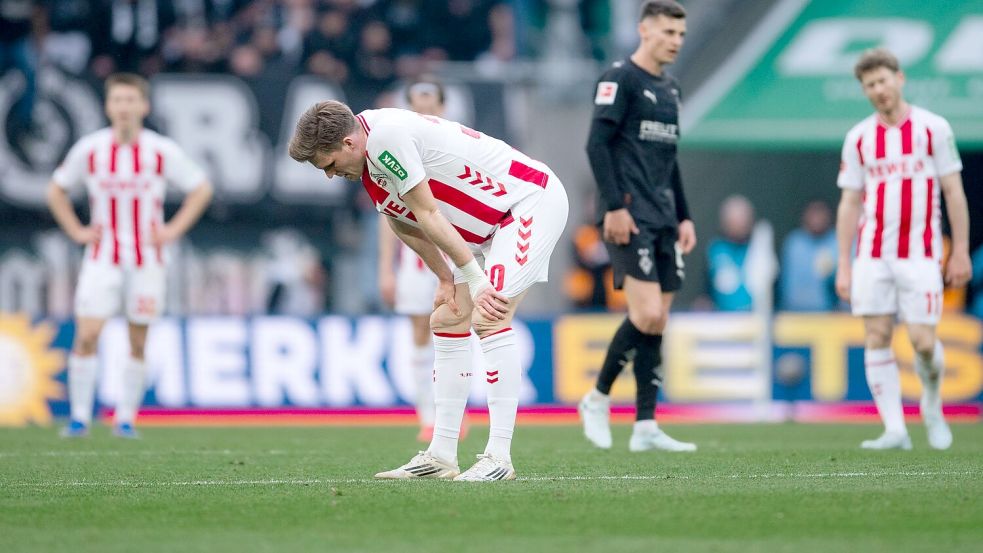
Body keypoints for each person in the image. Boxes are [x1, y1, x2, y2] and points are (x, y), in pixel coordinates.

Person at [288, 100, 568, 481]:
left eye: (330, 164)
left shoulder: (385, 139)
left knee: (489, 315)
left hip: (527, 203)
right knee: (448, 318)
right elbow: (402, 222)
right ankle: (442, 455)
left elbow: (429, 213)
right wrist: (445, 278)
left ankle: (499, 458)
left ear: (348, 144)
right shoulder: (369, 152)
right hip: (490, 226)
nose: (330, 175)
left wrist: (474, 279)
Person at [47, 73, 213, 438]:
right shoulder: (91, 149)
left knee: (138, 338)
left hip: (146, 260)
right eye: (117, 100)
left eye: (130, 100)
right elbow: (57, 189)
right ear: (108, 106)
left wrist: (172, 230)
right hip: (102, 257)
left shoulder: (159, 150)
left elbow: (200, 188)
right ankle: (79, 418)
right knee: (87, 334)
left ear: (144, 106)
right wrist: (76, 230)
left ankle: (125, 418)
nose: (124, 107)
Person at [836, 48, 972, 450]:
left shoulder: (934, 128)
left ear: (899, 78)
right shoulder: (859, 138)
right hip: (873, 254)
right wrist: (844, 263)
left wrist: (960, 250)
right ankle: (895, 429)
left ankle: (932, 404)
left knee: (923, 342)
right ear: (864, 90)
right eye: (869, 85)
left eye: (882, 80)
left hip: (920, 252)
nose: (878, 90)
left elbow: (953, 191)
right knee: (876, 334)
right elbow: (849, 202)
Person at [577, 0, 697, 453]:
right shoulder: (620, 79)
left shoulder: (671, 88)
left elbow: (670, 159)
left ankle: (646, 424)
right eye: (668, 32)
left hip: (664, 216)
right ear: (645, 30)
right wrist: (613, 207)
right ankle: (596, 398)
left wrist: (684, 215)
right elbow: (596, 145)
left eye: (680, 34)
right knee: (645, 314)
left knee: (657, 319)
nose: (675, 42)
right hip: (629, 214)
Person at [376, 77, 466, 443]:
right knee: (419, 332)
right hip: (416, 258)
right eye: (417, 105)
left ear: (442, 107)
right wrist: (386, 268)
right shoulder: (398, 148)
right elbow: (387, 213)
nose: (424, 111)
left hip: (456, 252)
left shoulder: (459, 144)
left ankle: (454, 413)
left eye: (430, 105)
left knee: (459, 328)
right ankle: (428, 416)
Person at [779, 200, 839, 312]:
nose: (817, 218)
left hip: (829, 314)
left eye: (820, 213)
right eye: (813, 213)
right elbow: (784, 283)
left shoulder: (837, 242)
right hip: (793, 313)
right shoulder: (794, 242)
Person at [706, 194, 755, 312]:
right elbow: (707, 289)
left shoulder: (758, 249)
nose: (738, 224)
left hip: (756, 317)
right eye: (733, 220)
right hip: (722, 318)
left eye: (742, 219)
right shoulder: (716, 249)